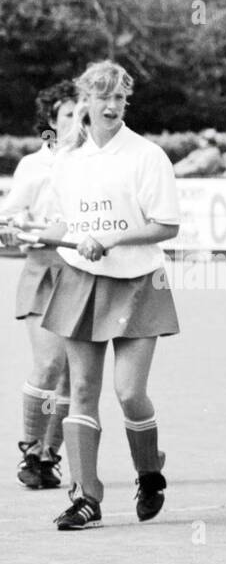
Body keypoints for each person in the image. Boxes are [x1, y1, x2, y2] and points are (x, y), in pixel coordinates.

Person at [31, 60, 181, 530]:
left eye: (120, 97)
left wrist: (111, 240)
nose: (113, 105)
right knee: (81, 392)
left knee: (129, 392)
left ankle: (149, 472)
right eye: (104, 98)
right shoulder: (68, 160)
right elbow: (65, 225)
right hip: (80, 280)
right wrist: (39, 235)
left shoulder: (146, 155)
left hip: (140, 280)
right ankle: (85, 497)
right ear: (85, 105)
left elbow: (167, 225)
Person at [0, 79, 77, 490]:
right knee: (49, 363)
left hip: (82, 272)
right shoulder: (34, 165)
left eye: (80, 115)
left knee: (69, 375)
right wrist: (14, 229)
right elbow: (9, 216)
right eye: (67, 116)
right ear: (50, 121)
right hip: (43, 270)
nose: (75, 123)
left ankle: (50, 456)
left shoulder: (93, 164)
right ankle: (29, 448)